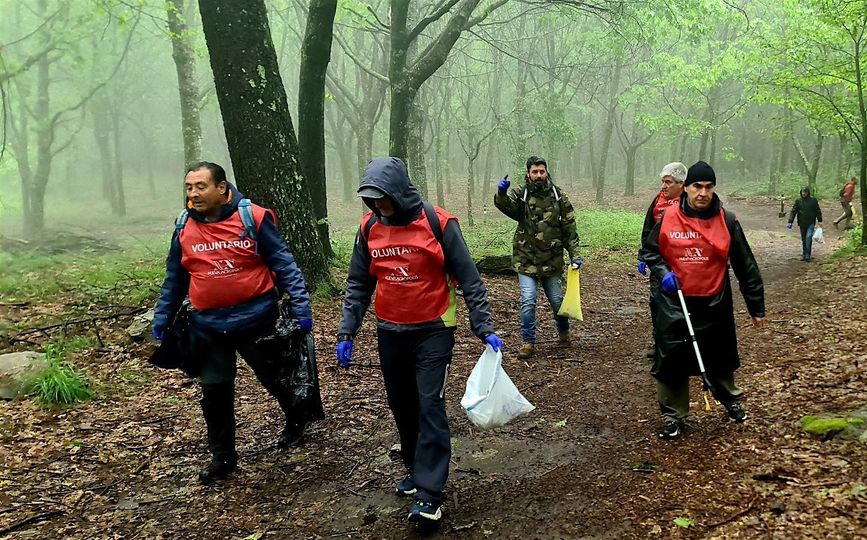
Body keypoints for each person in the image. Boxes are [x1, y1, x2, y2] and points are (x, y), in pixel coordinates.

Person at [336, 157, 501, 529]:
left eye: (383, 198)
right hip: (390, 330)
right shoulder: (369, 229)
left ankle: (430, 494)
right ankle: (414, 469)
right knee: (402, 405)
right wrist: (347, 330)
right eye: (371, 199)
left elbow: (468, 278)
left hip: (434, 328)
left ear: (398, 190)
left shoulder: (438, 222)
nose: (378, 205)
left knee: (430, 405)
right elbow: (359, 283)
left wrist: (483, 325)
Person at [152, 161, 313, 484]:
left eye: (201, 186)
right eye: (189, 187)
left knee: (275, 378)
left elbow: (282, 261)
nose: (194, 194)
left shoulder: (252, 218)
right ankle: (222, 456)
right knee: (214, 391)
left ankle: (295, 419)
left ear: (222, 189)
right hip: (208, 325)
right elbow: (175, 277)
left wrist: (301, 304)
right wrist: (162, 316)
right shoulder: (184, 226)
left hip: (256, 319)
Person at [640, 161, 765, 440]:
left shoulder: (728, 220)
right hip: (674, 302)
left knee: (719, 356)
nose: (703, 193)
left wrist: (756, 306)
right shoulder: (668, 217)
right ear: (687, 188)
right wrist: (663, 273)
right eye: (697, 186)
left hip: (714, 300)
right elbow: (650, 251)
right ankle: (673, 415)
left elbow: (746, 265)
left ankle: (730, 400)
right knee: (671, 359)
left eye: (708, 187)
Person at [494, 156, 581, 360]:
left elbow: (570, 227)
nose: (539, 175)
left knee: (557, 301)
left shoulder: (558, 195)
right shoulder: (521, 195)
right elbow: (508, 208)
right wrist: (501, 193)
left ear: (547, 172)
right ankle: (528, 342)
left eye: (542, 171)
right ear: (528, 173)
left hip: (552, 259)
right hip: (526, 260)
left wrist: (575, 255)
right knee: (528, 301)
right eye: (535, 172)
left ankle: (563, 332)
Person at [637, 162, 687, 358]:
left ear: (681, 184)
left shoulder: (689, 202)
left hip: (684, 262)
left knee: (680, 305)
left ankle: (682, 343)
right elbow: (648, 229)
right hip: (659, 263)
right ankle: (659, 344)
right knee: (657, 303)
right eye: (662, 182)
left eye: (668, 182)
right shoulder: (658, 201)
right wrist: (643, 255)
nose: (663, 186)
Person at [786, 186, 823, 262]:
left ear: (808, 192)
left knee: (808, 237)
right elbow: (793, 211)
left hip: (811, 222)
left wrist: (820, 220)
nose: (804, 194)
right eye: (802, 192)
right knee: (804, 239)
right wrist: (790, 221)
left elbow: (817, 210)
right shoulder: (798, 201)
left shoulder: (813, 200)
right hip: (802, 223)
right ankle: (804, 253)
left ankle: (807, 255)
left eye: (805, 192)